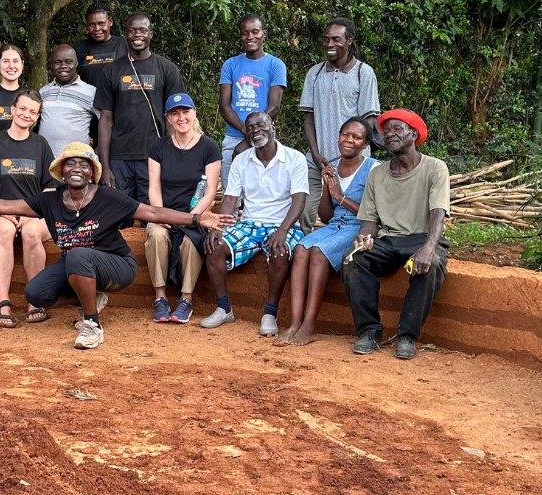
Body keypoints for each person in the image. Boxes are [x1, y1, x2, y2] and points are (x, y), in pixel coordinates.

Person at [0, 142, 233, 350]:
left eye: (83, 165)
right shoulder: (50, 200)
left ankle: (92, 324)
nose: (76, 168)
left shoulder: (107, 198)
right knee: (35, 293)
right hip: (81, 264)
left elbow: (151, 212)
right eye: (70, 164)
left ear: (91, 172)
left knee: (79, 256)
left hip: (116, 266)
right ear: (61, 171)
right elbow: (7, 204)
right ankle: (89, 298)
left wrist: (196, 219)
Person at [343, 108, 450, 360]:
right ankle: (369, 330)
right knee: (353, 259)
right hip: (388, 240)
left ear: (414, 134)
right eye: (386, 130)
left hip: (422, 237)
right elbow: (369, 220)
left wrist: (428, 247)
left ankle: (407, 336)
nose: (389, 134)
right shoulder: (377, 173)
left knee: (431, 263)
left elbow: (438, 213)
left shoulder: (435, 168)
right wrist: (363, 238)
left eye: (397, 129)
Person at [200, 111, 308, 336]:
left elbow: (299, 200)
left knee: (280, 250)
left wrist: (282, 230)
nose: (255, 130)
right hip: (249, 224)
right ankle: (223, 308)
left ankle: (270, 313)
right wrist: (218, 227)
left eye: (261, 124)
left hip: (283, 223)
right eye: (250, 127)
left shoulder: (295, 158)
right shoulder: (241, 160)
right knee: (214, 246)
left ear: (273, 126)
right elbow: (230, 199)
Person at [275, 117, 378, 346]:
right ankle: (294, 322)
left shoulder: (373, 169)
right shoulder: (332, 165)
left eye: (356, 137)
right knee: (301, 248)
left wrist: (339, 195)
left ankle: (309, 324)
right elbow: (327, 216)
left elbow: (374, 213)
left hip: (357, 227)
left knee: (319, 252)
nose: (349, 140)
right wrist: (326, 187)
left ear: (365, 144)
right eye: (345, 135)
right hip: (334, 226)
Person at [0, 89, 56, 327]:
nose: (26, 114)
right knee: (4, 231)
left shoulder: (41, 144)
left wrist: (30, 210)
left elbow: (50, 188)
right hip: (0, 210)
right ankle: (3, 302)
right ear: (12, 109)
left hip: (35, 211)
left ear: (37, 117)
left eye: (33, 112)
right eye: (22, 109)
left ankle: (35, 300)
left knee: (32, 233)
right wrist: (2, 211)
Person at [298, 17, 380, 234]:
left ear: (350, 40)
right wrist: (316, 156)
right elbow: (308, 117)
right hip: (318, 161)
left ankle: (347, 259)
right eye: (326, 39)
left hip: (352, 165)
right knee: (304, 212)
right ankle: (299, 256)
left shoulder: (363, 73)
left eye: (336, 39)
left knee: (351, 217)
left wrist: (347, 157)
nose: (329, 44)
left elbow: (368, 120)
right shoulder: (314, 73)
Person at [146, 93, 222, 324]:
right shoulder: (158, 146)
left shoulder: (209, 147)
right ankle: (160, 298)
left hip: (195, 215)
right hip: (165, 214)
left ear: (194, 113)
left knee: (191, 242)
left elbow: (210, 191)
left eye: (185, 112)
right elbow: (154, 187)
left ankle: (185, 300)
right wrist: (158, 214)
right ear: (168, 118)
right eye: (175, 113)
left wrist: (193, 218)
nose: (181, 118)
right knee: (156, 234)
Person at [95, 12, 186, 204]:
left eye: (143, 30)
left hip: (153, 155)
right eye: (132, 31)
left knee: (151, 217)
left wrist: (175, 157)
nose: (138, 35)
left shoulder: (167, 69)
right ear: (125, 34)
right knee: (118, 216)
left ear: (151, 34)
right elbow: (105, 120)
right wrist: (105, 166)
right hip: (118, 158)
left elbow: (177, 117)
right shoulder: (111, 71)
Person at [218, 14, 287, 185]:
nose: (250, 37)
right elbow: (224, 106)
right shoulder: (230, 64)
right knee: (231, 194)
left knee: (264, 194)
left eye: (255, 32)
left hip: (265, 138)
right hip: (234, 137)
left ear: (264, 33)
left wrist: (255, 135)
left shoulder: (276, 65)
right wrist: (247, 132)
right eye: (245, 33)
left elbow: (274, 106)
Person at [39, 44, 98, 158]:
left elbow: (106, 122)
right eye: (58, 62)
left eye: (68, 61)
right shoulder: (43, 92)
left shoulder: (91, 92)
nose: (63, 66)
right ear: (51, 65)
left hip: (77, 163)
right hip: (46, 161)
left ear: (76, 63)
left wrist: (97, 146)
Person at [72, 3, 128, 89]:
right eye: (92, 24)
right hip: (90, 100)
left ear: (110, 22)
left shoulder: (125, 44)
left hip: (121, 100)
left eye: (101, 23)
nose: (97, 29)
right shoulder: (79, 49)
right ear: (87, 25)